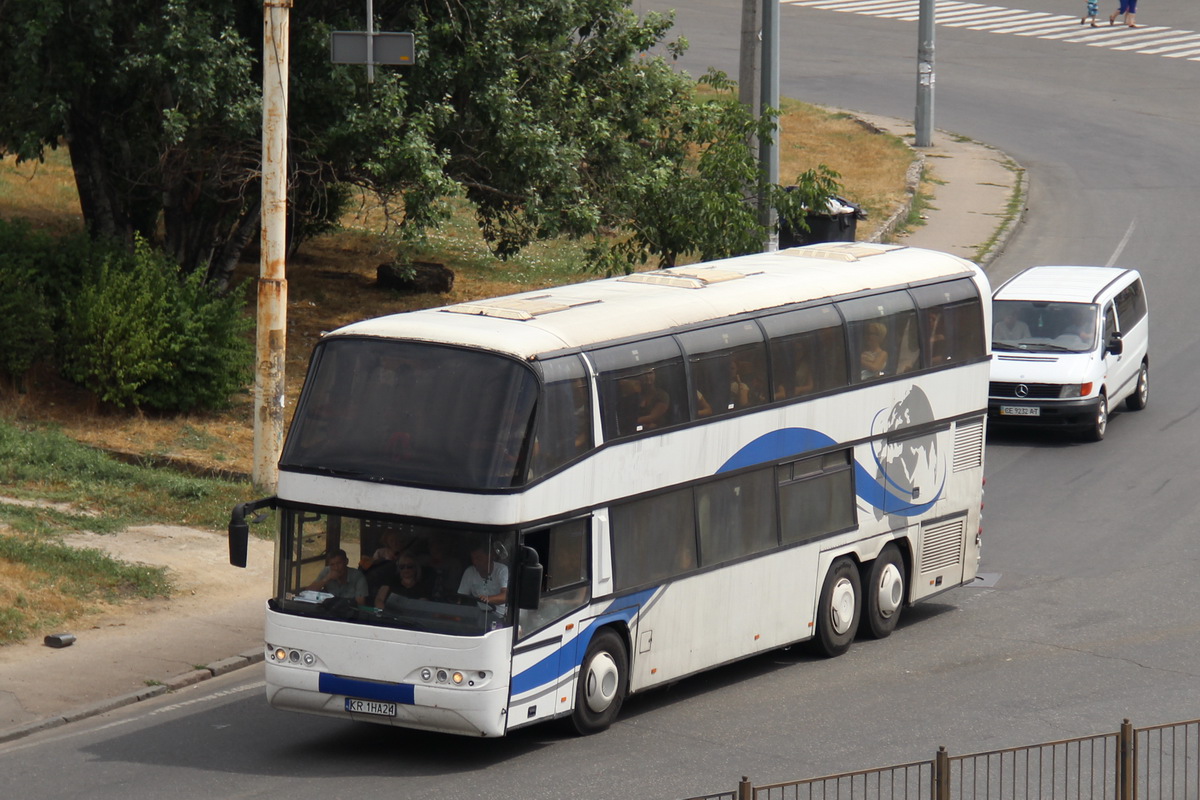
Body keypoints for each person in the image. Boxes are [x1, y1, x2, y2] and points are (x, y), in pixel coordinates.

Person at [458, 544, 508, 616]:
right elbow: (462, 598)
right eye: (473, 558)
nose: (475, 562)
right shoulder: (470, 572)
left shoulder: (502, 570)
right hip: (480, 616)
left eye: (479, 558)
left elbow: (505, 596)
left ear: (490, 557)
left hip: (501, 617)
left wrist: (487, 599)